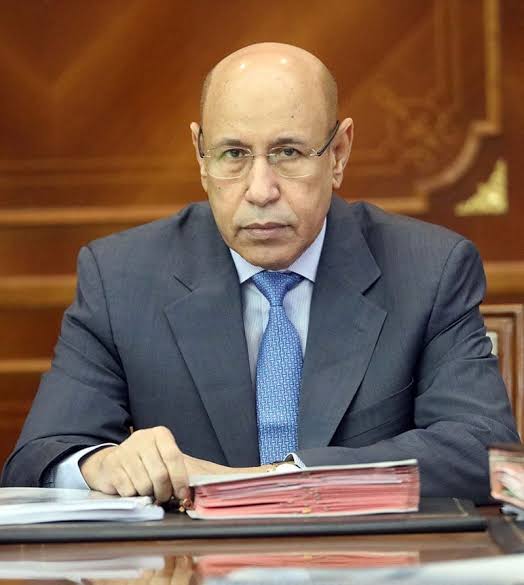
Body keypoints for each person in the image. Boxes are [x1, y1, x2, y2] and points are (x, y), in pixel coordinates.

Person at [1, 43, 518, 505]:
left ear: (339, 154)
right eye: (233, 155)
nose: (260, 190)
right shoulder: (121, 278)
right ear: (200, 157)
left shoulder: (428, 270)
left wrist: (279, 481)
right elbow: (38, 460)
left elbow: (482, 451)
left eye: (288, 153)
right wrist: (100, 464)